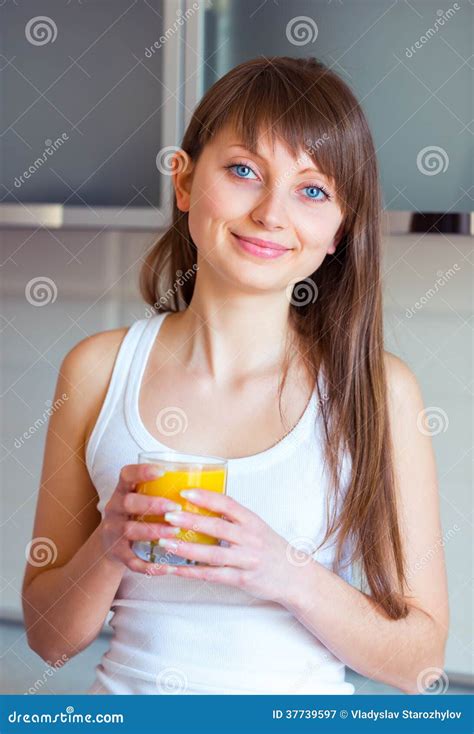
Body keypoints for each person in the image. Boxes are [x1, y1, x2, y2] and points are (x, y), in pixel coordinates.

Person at [22, 56, 448, 695]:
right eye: (244, 171)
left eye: (313, 190)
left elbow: (421, 664)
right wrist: (107, 548)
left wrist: (282, 569)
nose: (272, 213)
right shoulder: (97, 371)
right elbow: (49, 641)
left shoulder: (379, 392)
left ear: (339, 228)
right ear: (186, 183)